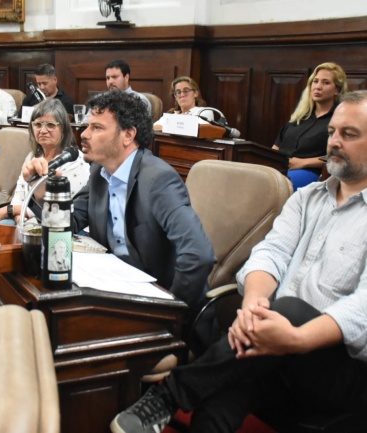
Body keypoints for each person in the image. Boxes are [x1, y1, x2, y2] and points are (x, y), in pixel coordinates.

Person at [109, 90, 367, 433]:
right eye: (332, 131)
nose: (333, 141)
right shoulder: (306, 198)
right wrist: (253, 307)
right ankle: (179, 399)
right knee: (219, 400)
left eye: (349, 134)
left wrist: (296, 338)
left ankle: (170, 395)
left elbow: (362, 310)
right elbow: (270, 253)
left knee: (288, 309)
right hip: (271, 347)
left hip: (338, 371)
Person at [22, 91, 214, 313]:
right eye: (87, 126)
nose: (84, 134)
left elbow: (199, 255)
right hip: (114, 290)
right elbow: (70, 223)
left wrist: (172, 310)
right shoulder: (100, 171)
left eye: (96, 128)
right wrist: (41, 191)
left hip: (159, 303)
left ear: (128, 135)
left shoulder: (158, 179)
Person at [0, 98, 90, 224]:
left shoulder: (74, 159)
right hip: (25, 219)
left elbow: (59, 208)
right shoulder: (32, 156)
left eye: (50, 125)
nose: (42, 131)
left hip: (61, 224)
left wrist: (11, 210)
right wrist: (18, 217)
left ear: (63, 129)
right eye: (38, 125)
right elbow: (19, 196)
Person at [273, 62, 347, 190]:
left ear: (337, 90)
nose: (318, 87)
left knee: (278, 186)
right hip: (279, 168)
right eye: (315, 81)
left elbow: (340, 156)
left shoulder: (340, 120)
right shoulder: (299, 116)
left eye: (326, 83)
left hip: (309, 171)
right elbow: (276, 147)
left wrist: (303, 163)